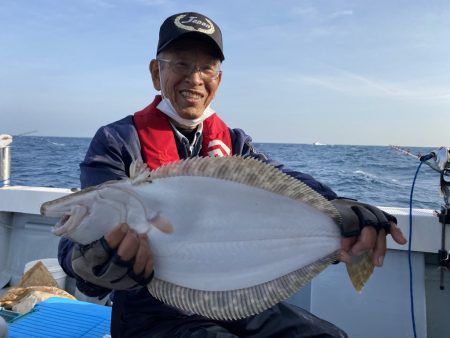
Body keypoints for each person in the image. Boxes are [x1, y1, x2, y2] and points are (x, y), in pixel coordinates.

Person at [58, 12, 407, 338]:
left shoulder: (235, 143)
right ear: (156, 73)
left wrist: (341, 209)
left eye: (206, 67)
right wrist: (84, 261)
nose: (194, 78)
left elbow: (281, 179)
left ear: (218, 80)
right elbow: (86, 233)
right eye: (181, 63)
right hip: (150, 311)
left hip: (234, 297)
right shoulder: (119, 140)